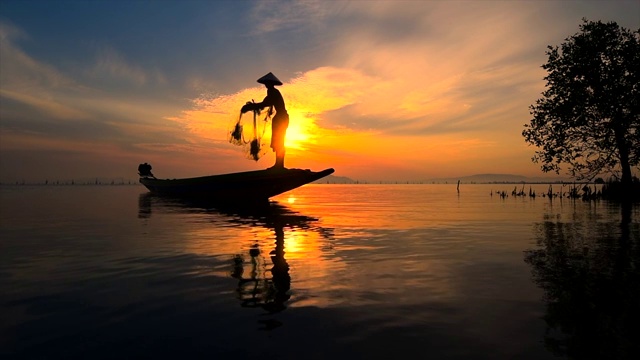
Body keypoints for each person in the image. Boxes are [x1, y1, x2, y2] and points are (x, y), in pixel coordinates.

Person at [241, 72, 289, 169]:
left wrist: (251, 106)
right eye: (266, 83)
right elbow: (265, 103)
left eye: (267, 83)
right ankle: (278, 165)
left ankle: (279, 166)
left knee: (279, 141)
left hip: (281, 118)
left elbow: (264, 104)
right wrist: (253, 106)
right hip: (280, 118)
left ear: (271, 83)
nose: (266, 85)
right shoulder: (271, 92)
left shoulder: (273, 92)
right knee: (278, 141)